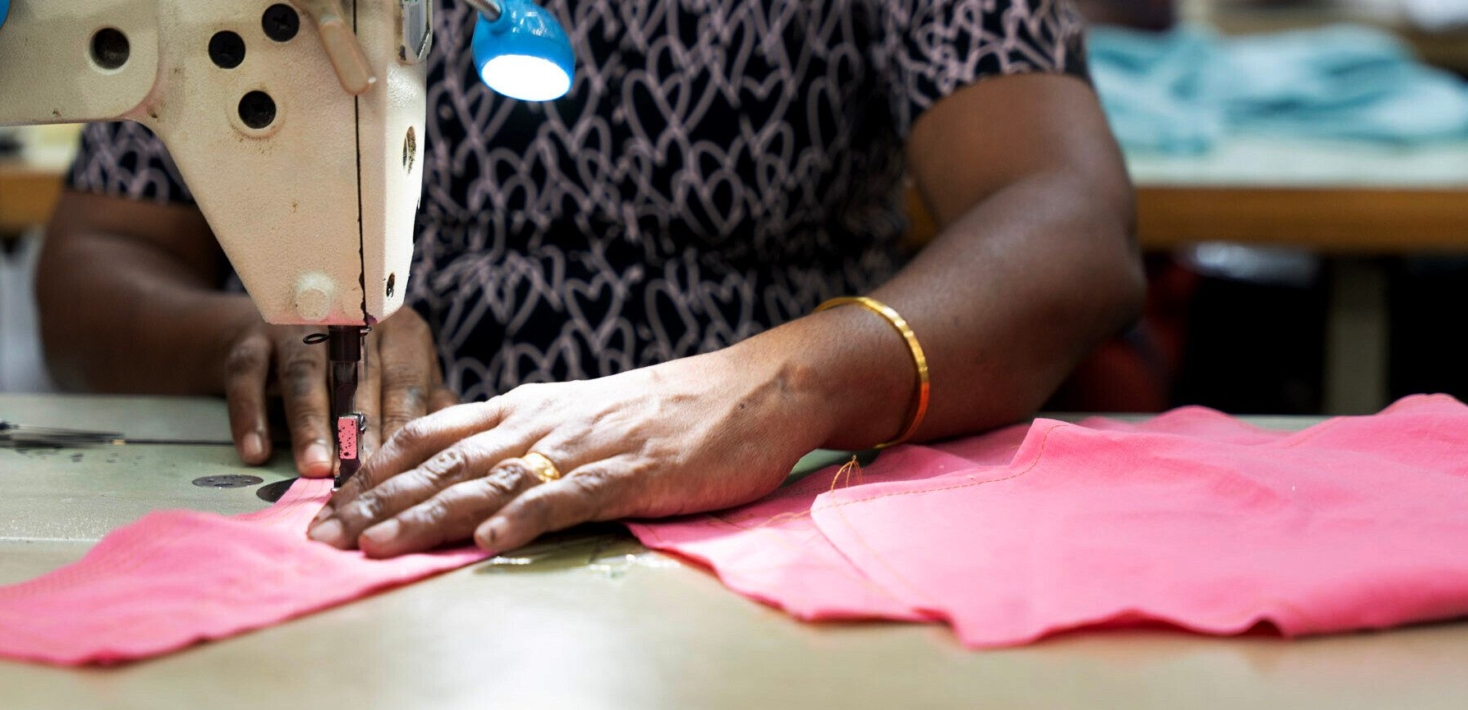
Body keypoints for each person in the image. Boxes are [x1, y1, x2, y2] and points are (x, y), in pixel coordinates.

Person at [39, 0, 1142, 558]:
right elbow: (98, 260)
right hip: (393, 488)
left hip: (780, 496)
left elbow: (1067, 221)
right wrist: (261, 327)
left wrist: (780, 386)